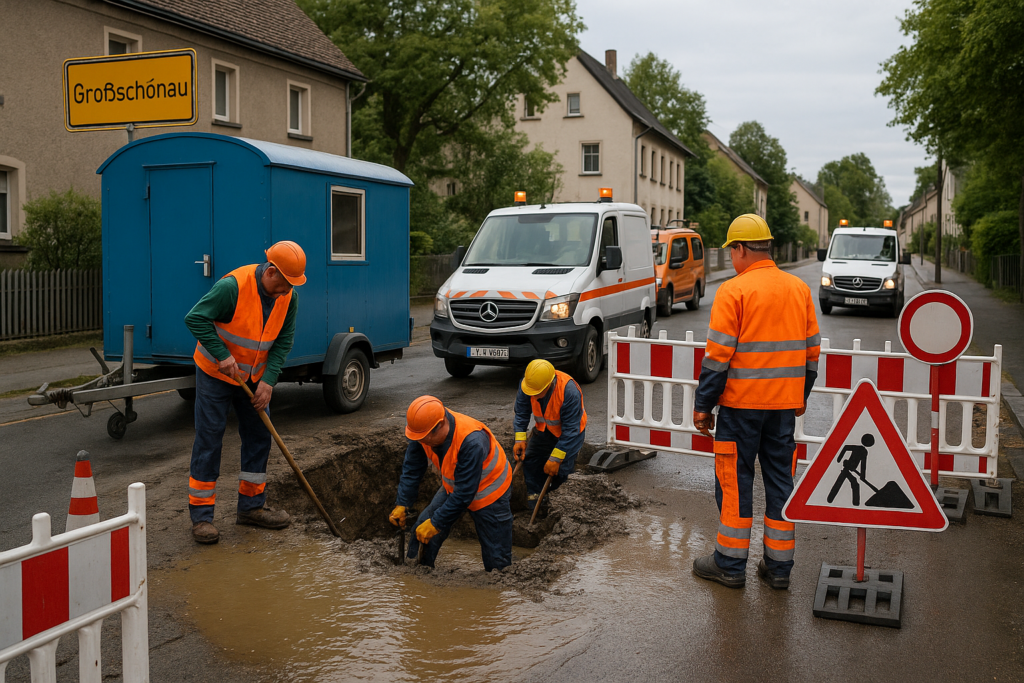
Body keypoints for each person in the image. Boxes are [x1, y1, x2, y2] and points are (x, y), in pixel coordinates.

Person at [691, 214, 820, 590]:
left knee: (734, 481)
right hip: (782, 410)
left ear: (741, 248)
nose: (732, 257)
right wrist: (800, 395)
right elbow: (812, 354)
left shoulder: (734, 291)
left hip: (740, 409)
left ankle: (730, 564)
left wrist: (703, 405)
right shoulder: (798, 289)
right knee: (782, 481)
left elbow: (718, 358)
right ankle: (779, 568)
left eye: (732, 250)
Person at [184, 241, 306, 544]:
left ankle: (251, 508)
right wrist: (221, 354)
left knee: (259, 435)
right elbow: (195, 318)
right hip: (216, 371)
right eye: (285, 283)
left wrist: (269, 381)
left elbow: (283, 340)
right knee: (210, 436)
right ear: (271, 272)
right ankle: (201, 517)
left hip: (255, 376)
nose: (287, 290)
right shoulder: (233, 287)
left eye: (292, 285)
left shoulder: (289, 297)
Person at [389, 396, 513, 571]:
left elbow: (465, 494)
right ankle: (417, 580)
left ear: (440, 425)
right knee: (421, 533)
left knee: (497, 559)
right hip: (455, 487)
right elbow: (412, 468)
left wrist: (437, 523)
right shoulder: (424, 429)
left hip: (490, 492)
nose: (421, 442)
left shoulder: (472, 441)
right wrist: (403, 503)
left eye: (424, 438)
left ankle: (497, 590)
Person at [512, 359, 587, 512]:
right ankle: (536, 501)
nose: (535, 396)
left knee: (561, 470)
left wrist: (555, 459)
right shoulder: (529, 385)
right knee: (531, 460)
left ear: (550, 384)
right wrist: (519, 439)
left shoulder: (569, 391)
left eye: (538, 393)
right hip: (544, 430)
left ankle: (557, 505)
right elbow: (521, 412)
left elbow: (571, 431)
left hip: (570, 435)